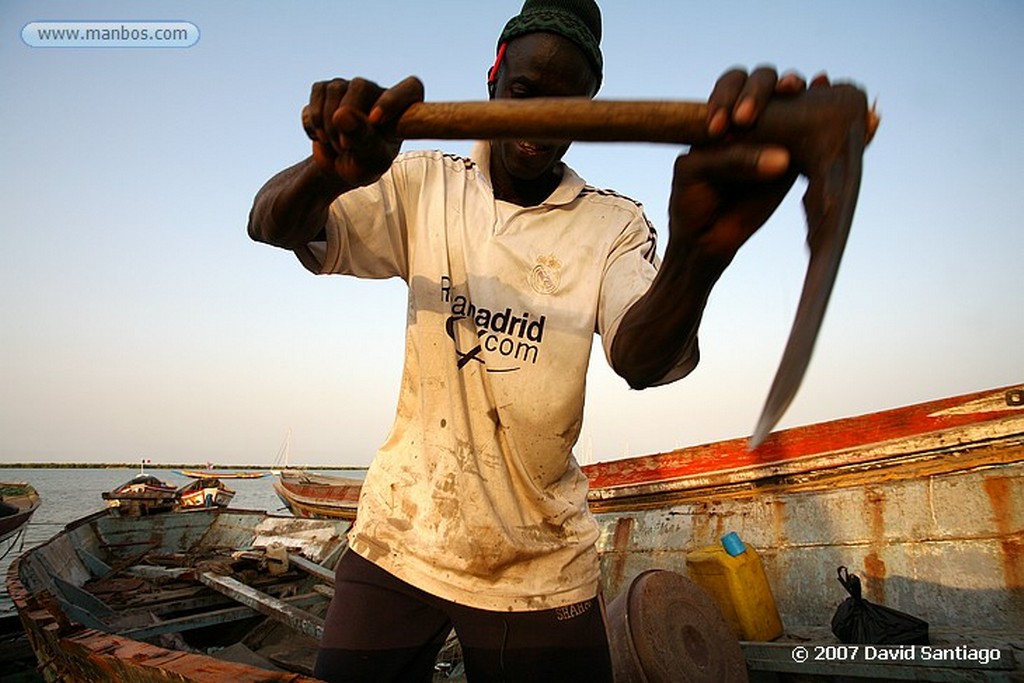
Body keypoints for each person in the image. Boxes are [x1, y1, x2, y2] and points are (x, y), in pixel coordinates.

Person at [248, 1, 819, 680]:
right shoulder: (424, 183)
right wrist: (328, 173)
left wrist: (700, 253)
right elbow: (271, 222)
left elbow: (641, 358)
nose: (541, 120)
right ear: (494, 77)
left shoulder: (614, 225)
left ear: (590, 109)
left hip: (539, 564)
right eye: (523, 93)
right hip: (399, 536)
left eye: (567, 103)